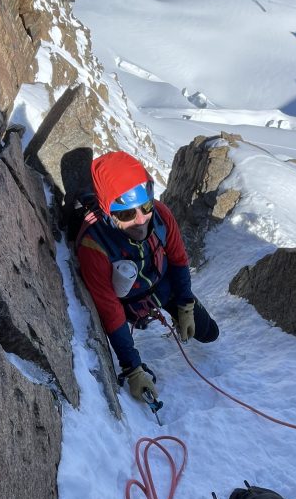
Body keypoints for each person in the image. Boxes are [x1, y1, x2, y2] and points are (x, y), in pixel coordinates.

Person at [75, 150, 219, 401]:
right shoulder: (94, 246)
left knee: (209, 332)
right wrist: (132, 368)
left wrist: (185, 304)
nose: (141, 221)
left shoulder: (161, 215)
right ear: (109, 213)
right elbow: (110, 311)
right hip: (127, 301)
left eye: (145, 207)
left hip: (162, 284)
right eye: (127, 214)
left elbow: (178, 259)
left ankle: (175, 310)